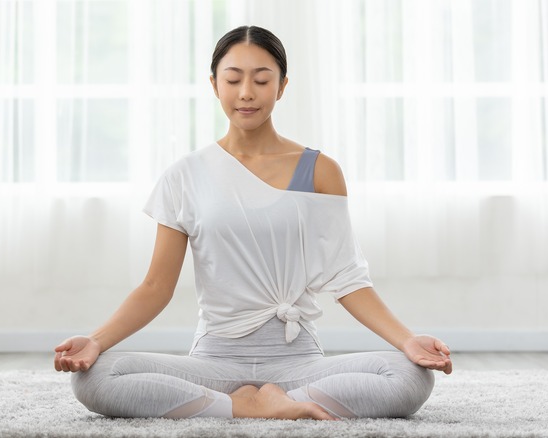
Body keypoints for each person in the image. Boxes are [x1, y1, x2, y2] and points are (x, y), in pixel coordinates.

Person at [54, 25, 452, 421]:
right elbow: (156, 287)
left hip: (298, 364)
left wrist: (407, 340)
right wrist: (95, 341)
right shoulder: (185, 175)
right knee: (97, 377)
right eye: (233, 79)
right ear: (214, 85)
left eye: (262, 80)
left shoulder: (319, 171)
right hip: (215, 363)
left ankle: (255, 403)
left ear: (281, 87)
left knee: (408, 376)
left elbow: (347, 278)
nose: (246, 92)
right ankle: (244, 405)